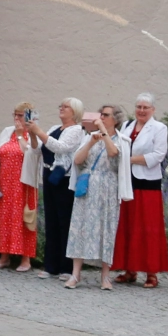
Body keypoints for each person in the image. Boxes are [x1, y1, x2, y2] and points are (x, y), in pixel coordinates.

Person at [65, 105, 129, 289]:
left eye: (106, 115)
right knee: (80, 227)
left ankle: (105, 277)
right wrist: (91, 142)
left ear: (115, 119)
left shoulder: (121, 140)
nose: (101, 117)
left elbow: (113, 153)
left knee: (106, 228)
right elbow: (77, 161)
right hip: (87, 187)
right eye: (100, 115)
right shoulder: (88, 137)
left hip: (107, 188)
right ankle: (75, 274)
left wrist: (103, 132)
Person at [112, 93, 168, 286]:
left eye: (145, 107)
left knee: (148, 228)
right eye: (139, 107)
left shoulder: (159, 128)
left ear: (153, 109)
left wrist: (130, 160)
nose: (141, 111)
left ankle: (151, 272)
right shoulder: (127, 126)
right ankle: (129, 269)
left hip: (147, 183)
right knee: (127, 226)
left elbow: (159, 155)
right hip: (127, 181)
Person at [0, 102, 42, 270]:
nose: (16, 119)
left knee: (23, 219)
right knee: (4, 220)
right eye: (15, 115)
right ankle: (4, 256)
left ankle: (25, 259)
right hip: (5, 184)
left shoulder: (33, 134)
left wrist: (20, 135)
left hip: (23, 185)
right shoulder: (6, 132)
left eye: (20, 115)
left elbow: (30, 152)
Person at [38, 99, 85, 278]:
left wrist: (39, 133)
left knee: (64, 220)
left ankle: (66, 266)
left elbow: (61, 147)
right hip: (49, 174)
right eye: (61, 106)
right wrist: (34, 134)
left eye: (66, 107)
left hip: (64, 178)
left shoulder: (76, 130)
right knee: (51, 220)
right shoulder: (54, 128)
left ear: (74, 111)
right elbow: (39, 149)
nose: (61, 109)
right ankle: (51, 265)